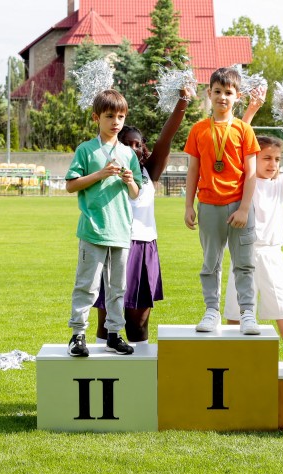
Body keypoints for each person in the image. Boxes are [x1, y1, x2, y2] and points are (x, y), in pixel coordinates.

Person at [94, 87, 196, 345]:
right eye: (127, 143)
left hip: (143, 248)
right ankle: (101, 372)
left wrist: (183, 100)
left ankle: (140, 378)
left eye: (138, 145)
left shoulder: (150, 172)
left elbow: (167, 136)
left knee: (138, 323)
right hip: (113, 246)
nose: (133, 148)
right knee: (107, 322)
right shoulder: (107, 167)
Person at [65, 89, 142, 357]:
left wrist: (130, 181)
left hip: (121, 231)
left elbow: (136, 193)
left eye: (120, 116)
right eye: (110, 116)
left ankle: (114, 334)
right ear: (96, 117)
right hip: (93, 230)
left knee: (118, 287)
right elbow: (71, 185)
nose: (116, 122)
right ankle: (77, 335)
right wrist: (100, 174)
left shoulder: (128, 153)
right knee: (87, 285)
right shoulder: (86, 150)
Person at [224, 127, 283, 360]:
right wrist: (252, 109)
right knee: (234, 322)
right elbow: (231, 146)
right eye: (266, 158)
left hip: (271, 258)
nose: (273, 164)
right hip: (242, 256)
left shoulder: (281, 185)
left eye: (277, 159)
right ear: (252, 158)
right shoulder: (241, 184)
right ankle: (232, 377)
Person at [184, 67, 260, 335]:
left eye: (229, 93)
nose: (223, 98)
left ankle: (248, 312)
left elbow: (251, 173)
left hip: (239, 208)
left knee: (244, 263)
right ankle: (211, 310)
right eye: (218, 92)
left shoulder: (243, 130)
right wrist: (188, 206)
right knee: (210, 263)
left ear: (237, 96)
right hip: (208, 206)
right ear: (209, 93)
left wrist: (244, 208)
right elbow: (193, 170)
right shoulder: (198, 130)